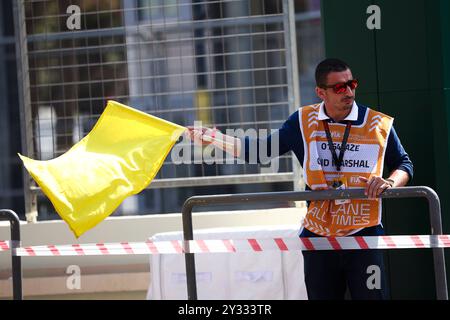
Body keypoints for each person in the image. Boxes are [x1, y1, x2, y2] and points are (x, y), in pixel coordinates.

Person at [186, 58, 413, 300]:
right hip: (318, 235)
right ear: (320, 92)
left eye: (351, 84)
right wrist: (215, 138)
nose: (348, 92)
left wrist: (389, 182)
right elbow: (260, 152)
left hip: (364, 233)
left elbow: (404, 164)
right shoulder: (303, 121)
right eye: (339, 87)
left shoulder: (378, 124)